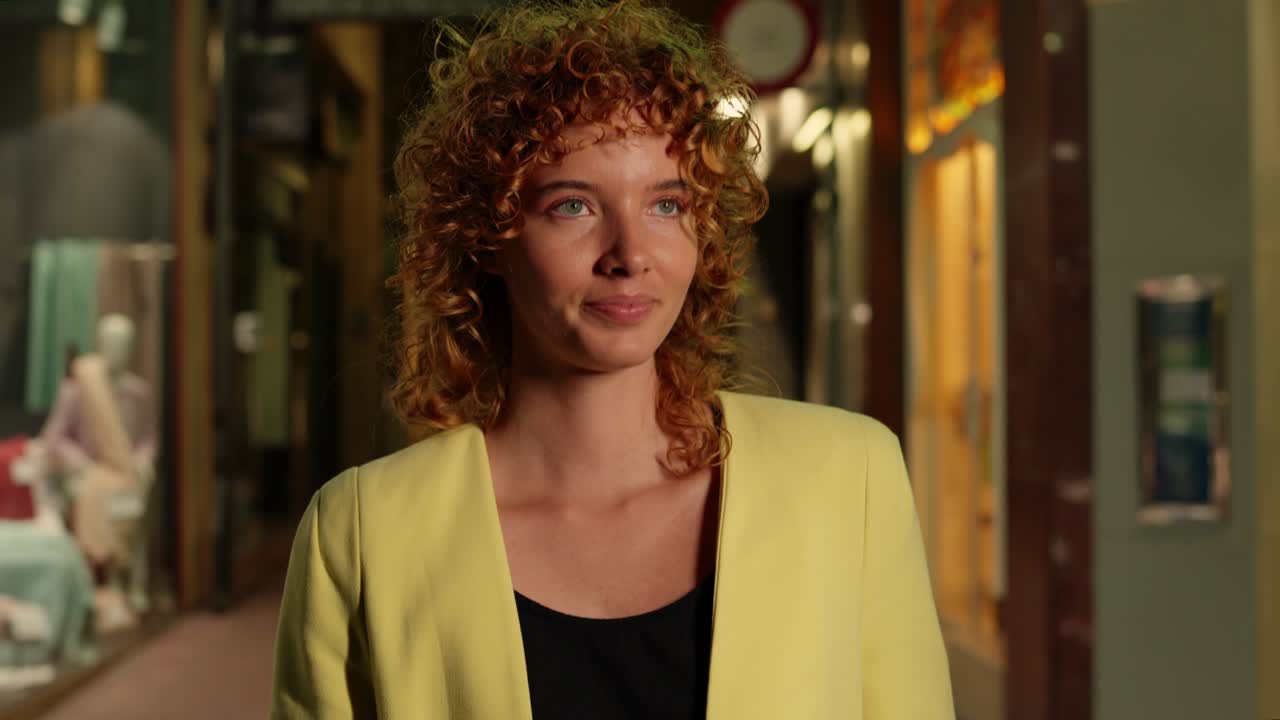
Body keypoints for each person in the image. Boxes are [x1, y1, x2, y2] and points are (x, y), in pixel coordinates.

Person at [270, 0, 954, 717]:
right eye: (573, 206)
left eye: (666, 204)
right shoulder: (363, 531)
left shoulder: (850, 480)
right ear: (486, 237)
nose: (630, 256)